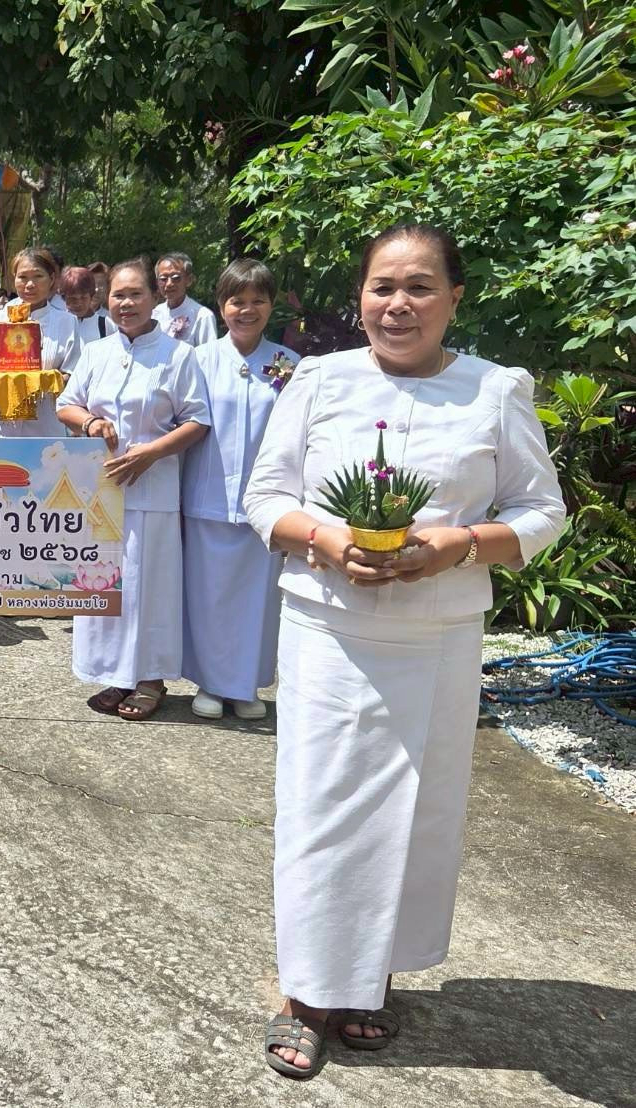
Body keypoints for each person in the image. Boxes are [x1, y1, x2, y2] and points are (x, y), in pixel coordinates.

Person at [243, 224, 565, 1080]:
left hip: (437, 639)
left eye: (419, 287)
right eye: (382, 286)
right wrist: (321, 537)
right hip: (328, 631)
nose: (398, 305)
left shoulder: (495, 390)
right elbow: (264, 495)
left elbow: (541, 512)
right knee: (324, 811)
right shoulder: (317, 380)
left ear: (454, 297)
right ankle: (306, 993)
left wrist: (458, 544)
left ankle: (369, 979)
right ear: (359, 297)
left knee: (416, 817)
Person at [55, 257, 210, 720]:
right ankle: (116, 673)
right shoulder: (98, 352)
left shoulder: (178, 355)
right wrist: (91, 421)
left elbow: (198, 420)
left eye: (136, 294)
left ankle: (150, 679)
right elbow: (67, 403)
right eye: (119, 295)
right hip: (100, 489)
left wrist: (151, 453)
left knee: (149, 586)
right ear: (109, 299)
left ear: (154, 298)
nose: (127, 303)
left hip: (154, 487)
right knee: (106, 582)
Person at [180, 258, 295, 720]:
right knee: (208, 597)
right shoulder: (199, 360)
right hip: (206, 497)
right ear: (221, 305)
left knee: (258, 600)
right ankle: (210, 683)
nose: (247, 310)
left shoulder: (290, 366)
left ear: (270, 306)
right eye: (237, 301)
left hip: (266, 504)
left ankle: (245, 685)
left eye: (257, 301)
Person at [0, 248, 83, 437]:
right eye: (22, 277)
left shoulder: (67, 322)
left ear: (51, 279)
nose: (30, 284)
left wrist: (41, 381)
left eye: (38, 276)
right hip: (4, 428)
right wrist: (8, 381)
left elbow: (74, 376)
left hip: (47, 428)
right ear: (13, 279)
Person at [152, 252, 219, 347]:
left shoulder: (202, 316)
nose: (169, 284)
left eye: (176, 278)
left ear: (189, 280)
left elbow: (209, 356)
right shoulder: (154, 313)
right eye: (163, 279)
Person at [61, 264, 115, 341]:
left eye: (83, 298)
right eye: (73, 298)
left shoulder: (106, 325)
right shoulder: (56, 324)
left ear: (91, 295)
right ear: (64, 297)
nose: (78, 303)